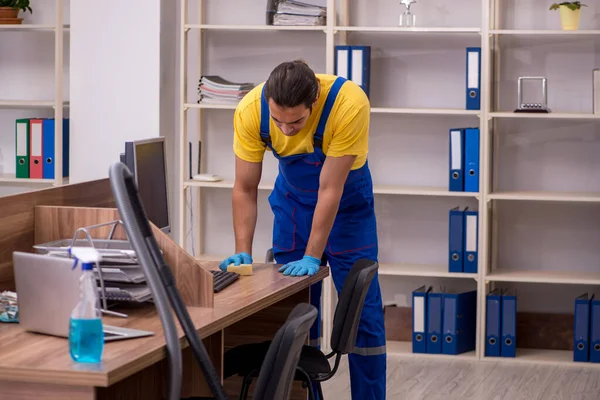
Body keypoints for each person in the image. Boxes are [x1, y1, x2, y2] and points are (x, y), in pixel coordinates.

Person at [219, 60, 386, 399]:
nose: (286, 129)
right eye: (277, 120)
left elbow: (330, 189)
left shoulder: (348, 104)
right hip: (294, 207)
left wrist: (312, 256)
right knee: (292, 311)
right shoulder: (250, 110)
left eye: (295, 121)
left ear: (314, 102)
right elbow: (244, 187)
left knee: (363, 315)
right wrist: (243, 252)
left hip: (347, 208)